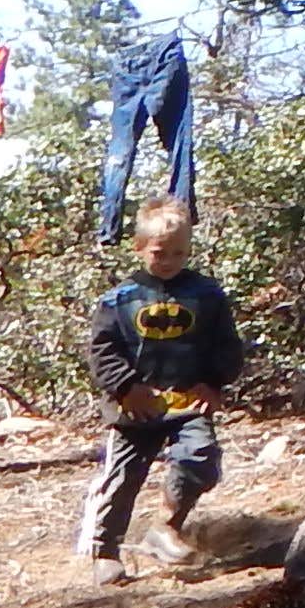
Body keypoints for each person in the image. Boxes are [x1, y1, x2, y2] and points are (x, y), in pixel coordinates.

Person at [82, 196, 242, 582]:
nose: (169, 260)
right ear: (139, 248)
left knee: (199, 458)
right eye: (159, 252)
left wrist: (215, 382)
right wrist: (125, 387)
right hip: (135, 408)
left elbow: (227, 344)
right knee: (122, 479)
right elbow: (101, 350)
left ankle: (166, 526)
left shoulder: (207, 296)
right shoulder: (119, 300)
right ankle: (105, 550)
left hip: (188, 402)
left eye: (178, 252)